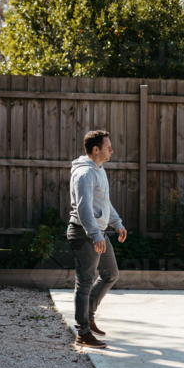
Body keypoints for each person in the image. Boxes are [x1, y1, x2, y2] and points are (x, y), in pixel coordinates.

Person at [67, 129, 128, 348]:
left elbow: (103, 202)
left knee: (110, 274)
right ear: (96, 149)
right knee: (84, 282)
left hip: (98, 232)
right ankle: (82, 332)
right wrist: (94, 234)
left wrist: (117, 223)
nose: (111, 150)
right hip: (85, 234)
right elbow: (84, 208)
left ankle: (88, 316)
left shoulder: (98, 169)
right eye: (108, 147)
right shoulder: (85, 173)